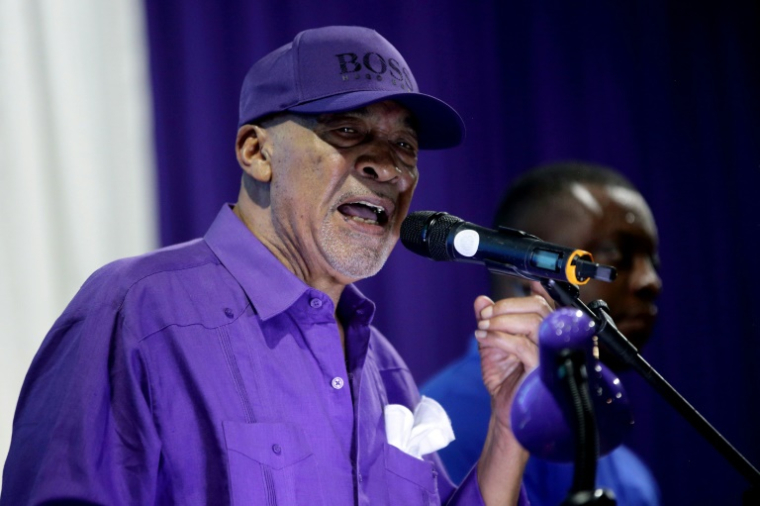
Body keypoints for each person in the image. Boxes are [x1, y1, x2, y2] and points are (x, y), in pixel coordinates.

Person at [1, 26, 548, 506]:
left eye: (405, 144)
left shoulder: (385, 369)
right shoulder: (137, 312)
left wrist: (506, 430)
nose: (387, 166)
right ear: (256, 152)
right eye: (348, 131)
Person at [422, 162, 663, 506]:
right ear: (526, 273)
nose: (649, 281)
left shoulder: (630, 473)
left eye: (651, 260)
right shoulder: (445, 426)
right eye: (612, 254)